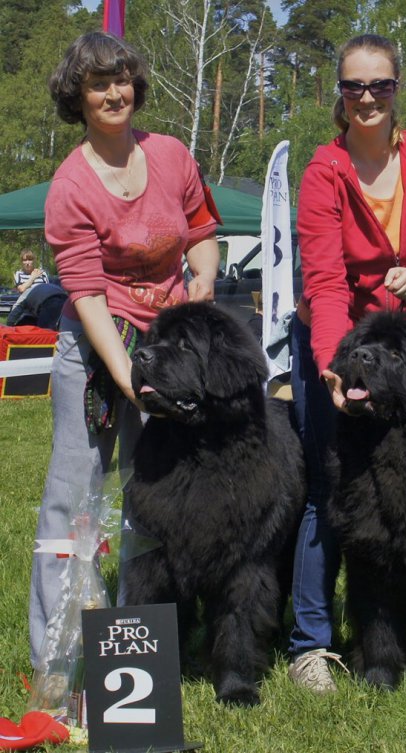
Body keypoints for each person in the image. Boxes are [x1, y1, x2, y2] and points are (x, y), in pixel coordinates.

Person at [29, 32, 219, 669]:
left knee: (156, 496)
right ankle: (57, 663)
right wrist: (131, 381)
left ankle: (148, 648)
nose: (114, 93)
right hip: (94, 355)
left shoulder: (170, 154)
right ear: (77, 99)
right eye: (97, 84)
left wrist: (204, 276)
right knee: (71, 498)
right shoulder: (69, 186)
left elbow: (201, 230)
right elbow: (85, 296)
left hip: (164, 348)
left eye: (122, 80)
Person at [289, 33, 406, 692]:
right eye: (354, 86)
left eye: (380, 85)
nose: (367, 97)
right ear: (340, 92)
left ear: (397, 89)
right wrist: (335, 366)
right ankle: (311, 643)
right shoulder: (322, 172)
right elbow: (326, 281)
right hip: (335, 346)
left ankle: (395, 627)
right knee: (328, 494)